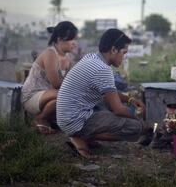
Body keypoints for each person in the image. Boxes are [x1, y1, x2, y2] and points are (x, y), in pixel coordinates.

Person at [57, 28, 146, 158]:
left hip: (66, 116)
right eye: (124, 52)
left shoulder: (92, 57)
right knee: (135, 128)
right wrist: (139, 120)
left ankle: (82, 135)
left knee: (106, 105)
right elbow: (118, 110)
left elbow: (111, 94)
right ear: (114, 50)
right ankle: (81, 136)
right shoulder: (103, 70)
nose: (124, 56)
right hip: (74, 120)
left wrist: (129, 99)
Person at [22, 21, 78, 134]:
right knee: (68, 95)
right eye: (71, 39)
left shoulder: (68, 59)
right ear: (59, 39)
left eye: (75, 39)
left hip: (51, 96)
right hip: (33, 96)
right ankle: (40, 118)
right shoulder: (50, 54)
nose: (74, 43)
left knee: (71, 96)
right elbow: (57, 85)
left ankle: (49, 120)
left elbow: (72, 81)